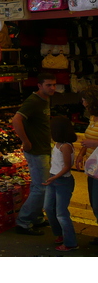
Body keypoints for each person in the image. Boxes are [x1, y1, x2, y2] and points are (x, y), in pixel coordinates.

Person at [11, 72, 57, 235]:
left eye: (53, 85)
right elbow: (16, 120)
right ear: (39, 86)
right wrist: (26, 141)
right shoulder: (33, 101)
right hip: (36, 151)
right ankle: (23, 222)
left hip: (44, 148)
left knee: (39, 186)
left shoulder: (45, 99)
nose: (52, 88)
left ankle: (37, 217)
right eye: (48, 85)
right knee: (41, 188)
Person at [43, 115, 78, 252]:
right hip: (54, 178)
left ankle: (71, 243)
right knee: (48, 207)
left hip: (62, 181)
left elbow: (67, 167)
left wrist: (54, 177)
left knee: (61, 213)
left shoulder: (66, 146)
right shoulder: (57, 144)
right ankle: (60, 234)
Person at [74, 85, 98, 245]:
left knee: (97, 202)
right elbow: (87, 138)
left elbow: (91, 140)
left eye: (84, 100)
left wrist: (94, 142)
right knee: (94, 201)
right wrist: (81, 153)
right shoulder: (92, 117)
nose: (83, 103)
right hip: (93, 167)